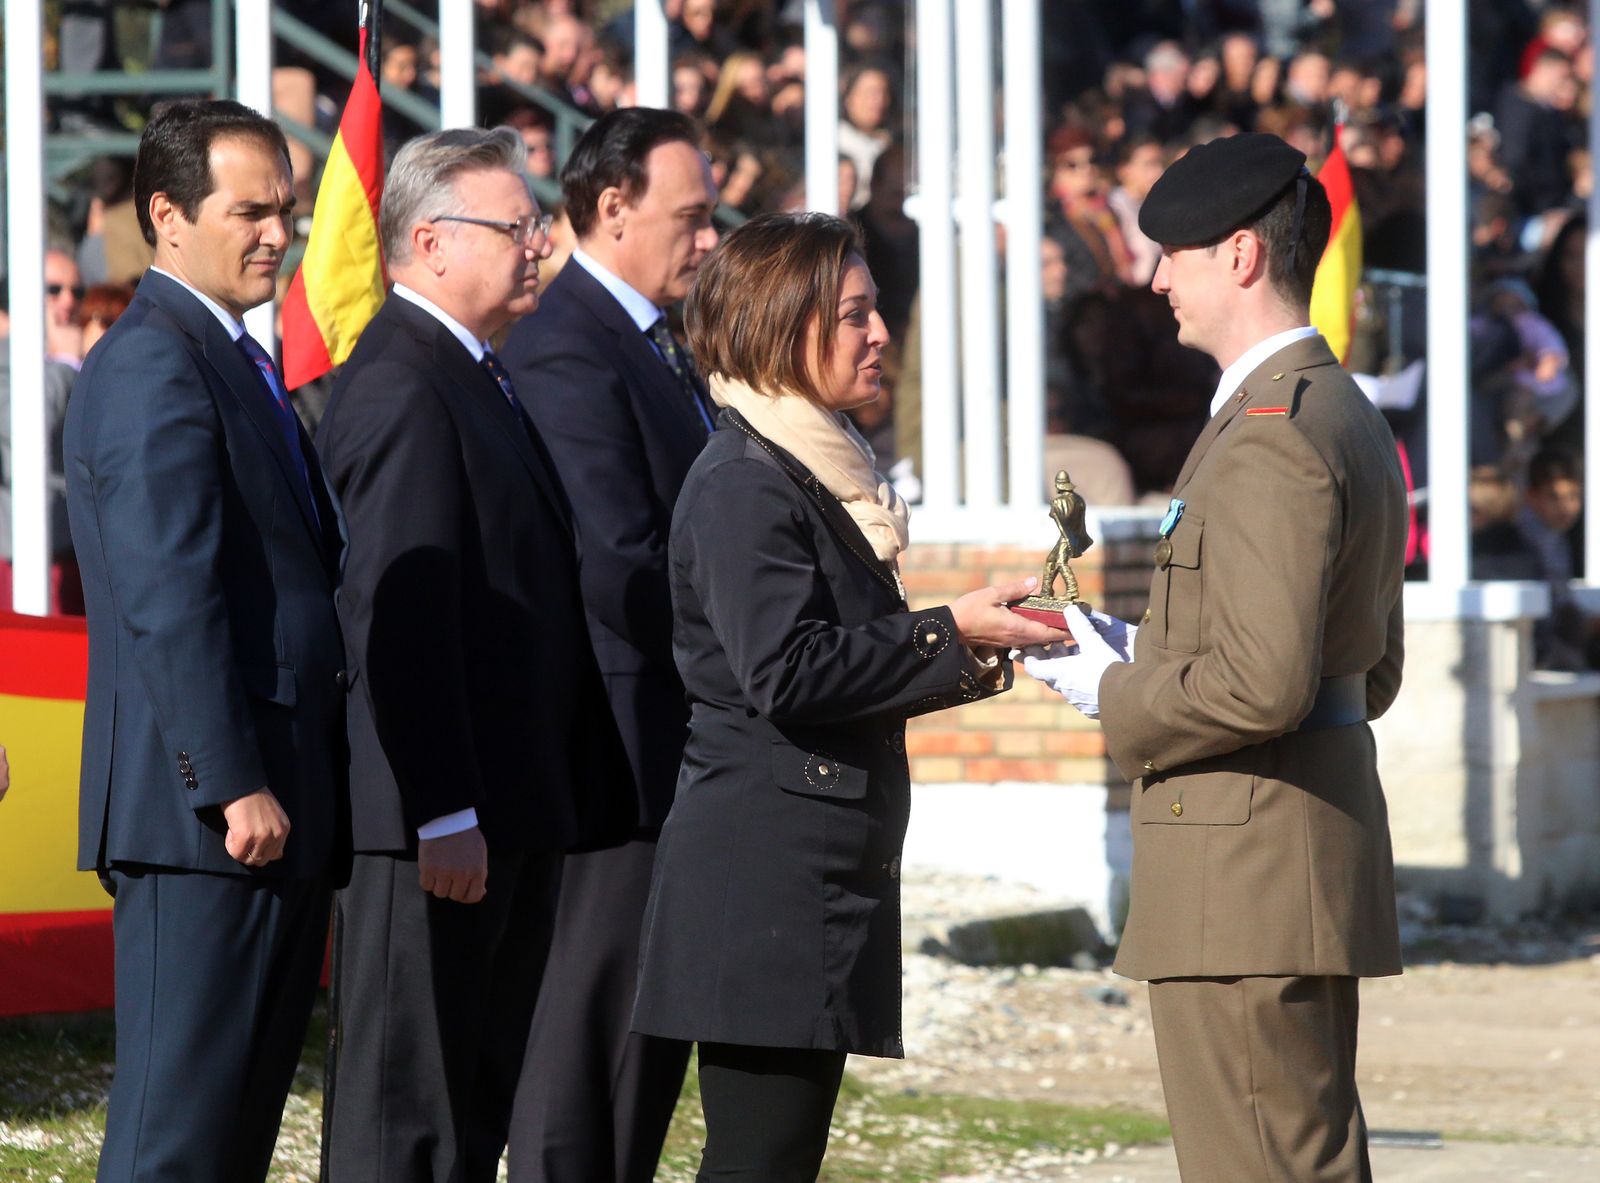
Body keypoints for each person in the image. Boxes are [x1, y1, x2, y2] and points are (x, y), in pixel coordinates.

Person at [631, 211, 1068, 1182]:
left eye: (876, 311)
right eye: (853, 316)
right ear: (782, 328)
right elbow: (787, 670)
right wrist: (947, 630)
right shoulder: (747, 482)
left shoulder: (815, 467)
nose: (880, 336)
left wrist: (971, 643)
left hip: (804, 871)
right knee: (759, 1157)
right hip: (763, 876)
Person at [1022, 133, 1407, 1182]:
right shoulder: (1331, 408)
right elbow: (1361, 670)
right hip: (1286, 857)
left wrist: (1112, 686)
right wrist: (1145, 648)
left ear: (1240, 255)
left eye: (1174, 255)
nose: (1156, 281)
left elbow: (1262, 682)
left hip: (1244, 876)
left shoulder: (1273, 429)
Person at [316, 126, 625, 1183]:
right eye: (516, 226)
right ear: (432, 242)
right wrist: (442, 808)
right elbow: (399, 615)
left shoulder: (471, 370)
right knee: (405, 1123)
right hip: (437, 828)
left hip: (502, 812)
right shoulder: (404, 380)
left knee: (466, 1117)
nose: (539, 244)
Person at [62, 99, 348, 1182]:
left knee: (229, 1141)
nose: (279, 233)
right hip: (210, 825)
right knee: (173, 1143)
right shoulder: (154, 362)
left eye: (286, 209)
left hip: (265, 812)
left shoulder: (226, 356)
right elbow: (168, 594)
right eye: (250, 212)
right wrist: (231, 781)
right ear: (167, 217)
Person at [499, 105, 715, 1183]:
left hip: (667, 741)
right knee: (583, 1048)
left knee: (643, 1051)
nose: (709, 240)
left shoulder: (653, 340)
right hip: (615, 751)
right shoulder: (566, 342)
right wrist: (747, 651)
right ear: (615, 206)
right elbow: (619, 556)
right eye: (692, 217)